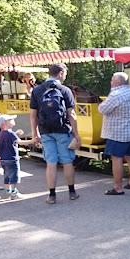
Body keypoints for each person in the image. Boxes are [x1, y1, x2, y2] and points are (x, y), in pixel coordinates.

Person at [30, 63, 82, 204]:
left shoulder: (37, 90)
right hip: (63, 130)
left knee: (51, 163)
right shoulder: (65, 90)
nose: (64, 76)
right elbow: (71, 114)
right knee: (67, 161)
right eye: (64, 74)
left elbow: (33, 115)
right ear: (60, 73)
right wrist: (76, 134)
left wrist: (35, 134)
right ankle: (71, 192)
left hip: (46, 131)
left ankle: (52, 196)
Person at [98, 72, 130, 195]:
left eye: (112, 80)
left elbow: (102, 109)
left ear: (117, 82)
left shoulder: (115, 95)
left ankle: (118, 187)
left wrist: (101, 102)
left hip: (118, 133)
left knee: (116, 159)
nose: (110, 82)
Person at [0, 114, 34, 199]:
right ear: (5, 123)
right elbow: (20, 142)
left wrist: (16, 133)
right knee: (14, 175)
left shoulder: (2, 133)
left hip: (3, 158)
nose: (13, 120)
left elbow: (9, 138)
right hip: (12, 158)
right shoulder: (11, 134)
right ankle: (14, 192)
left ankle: (8, 191)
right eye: (10, 119)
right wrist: (32, 141)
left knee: (6, 175)